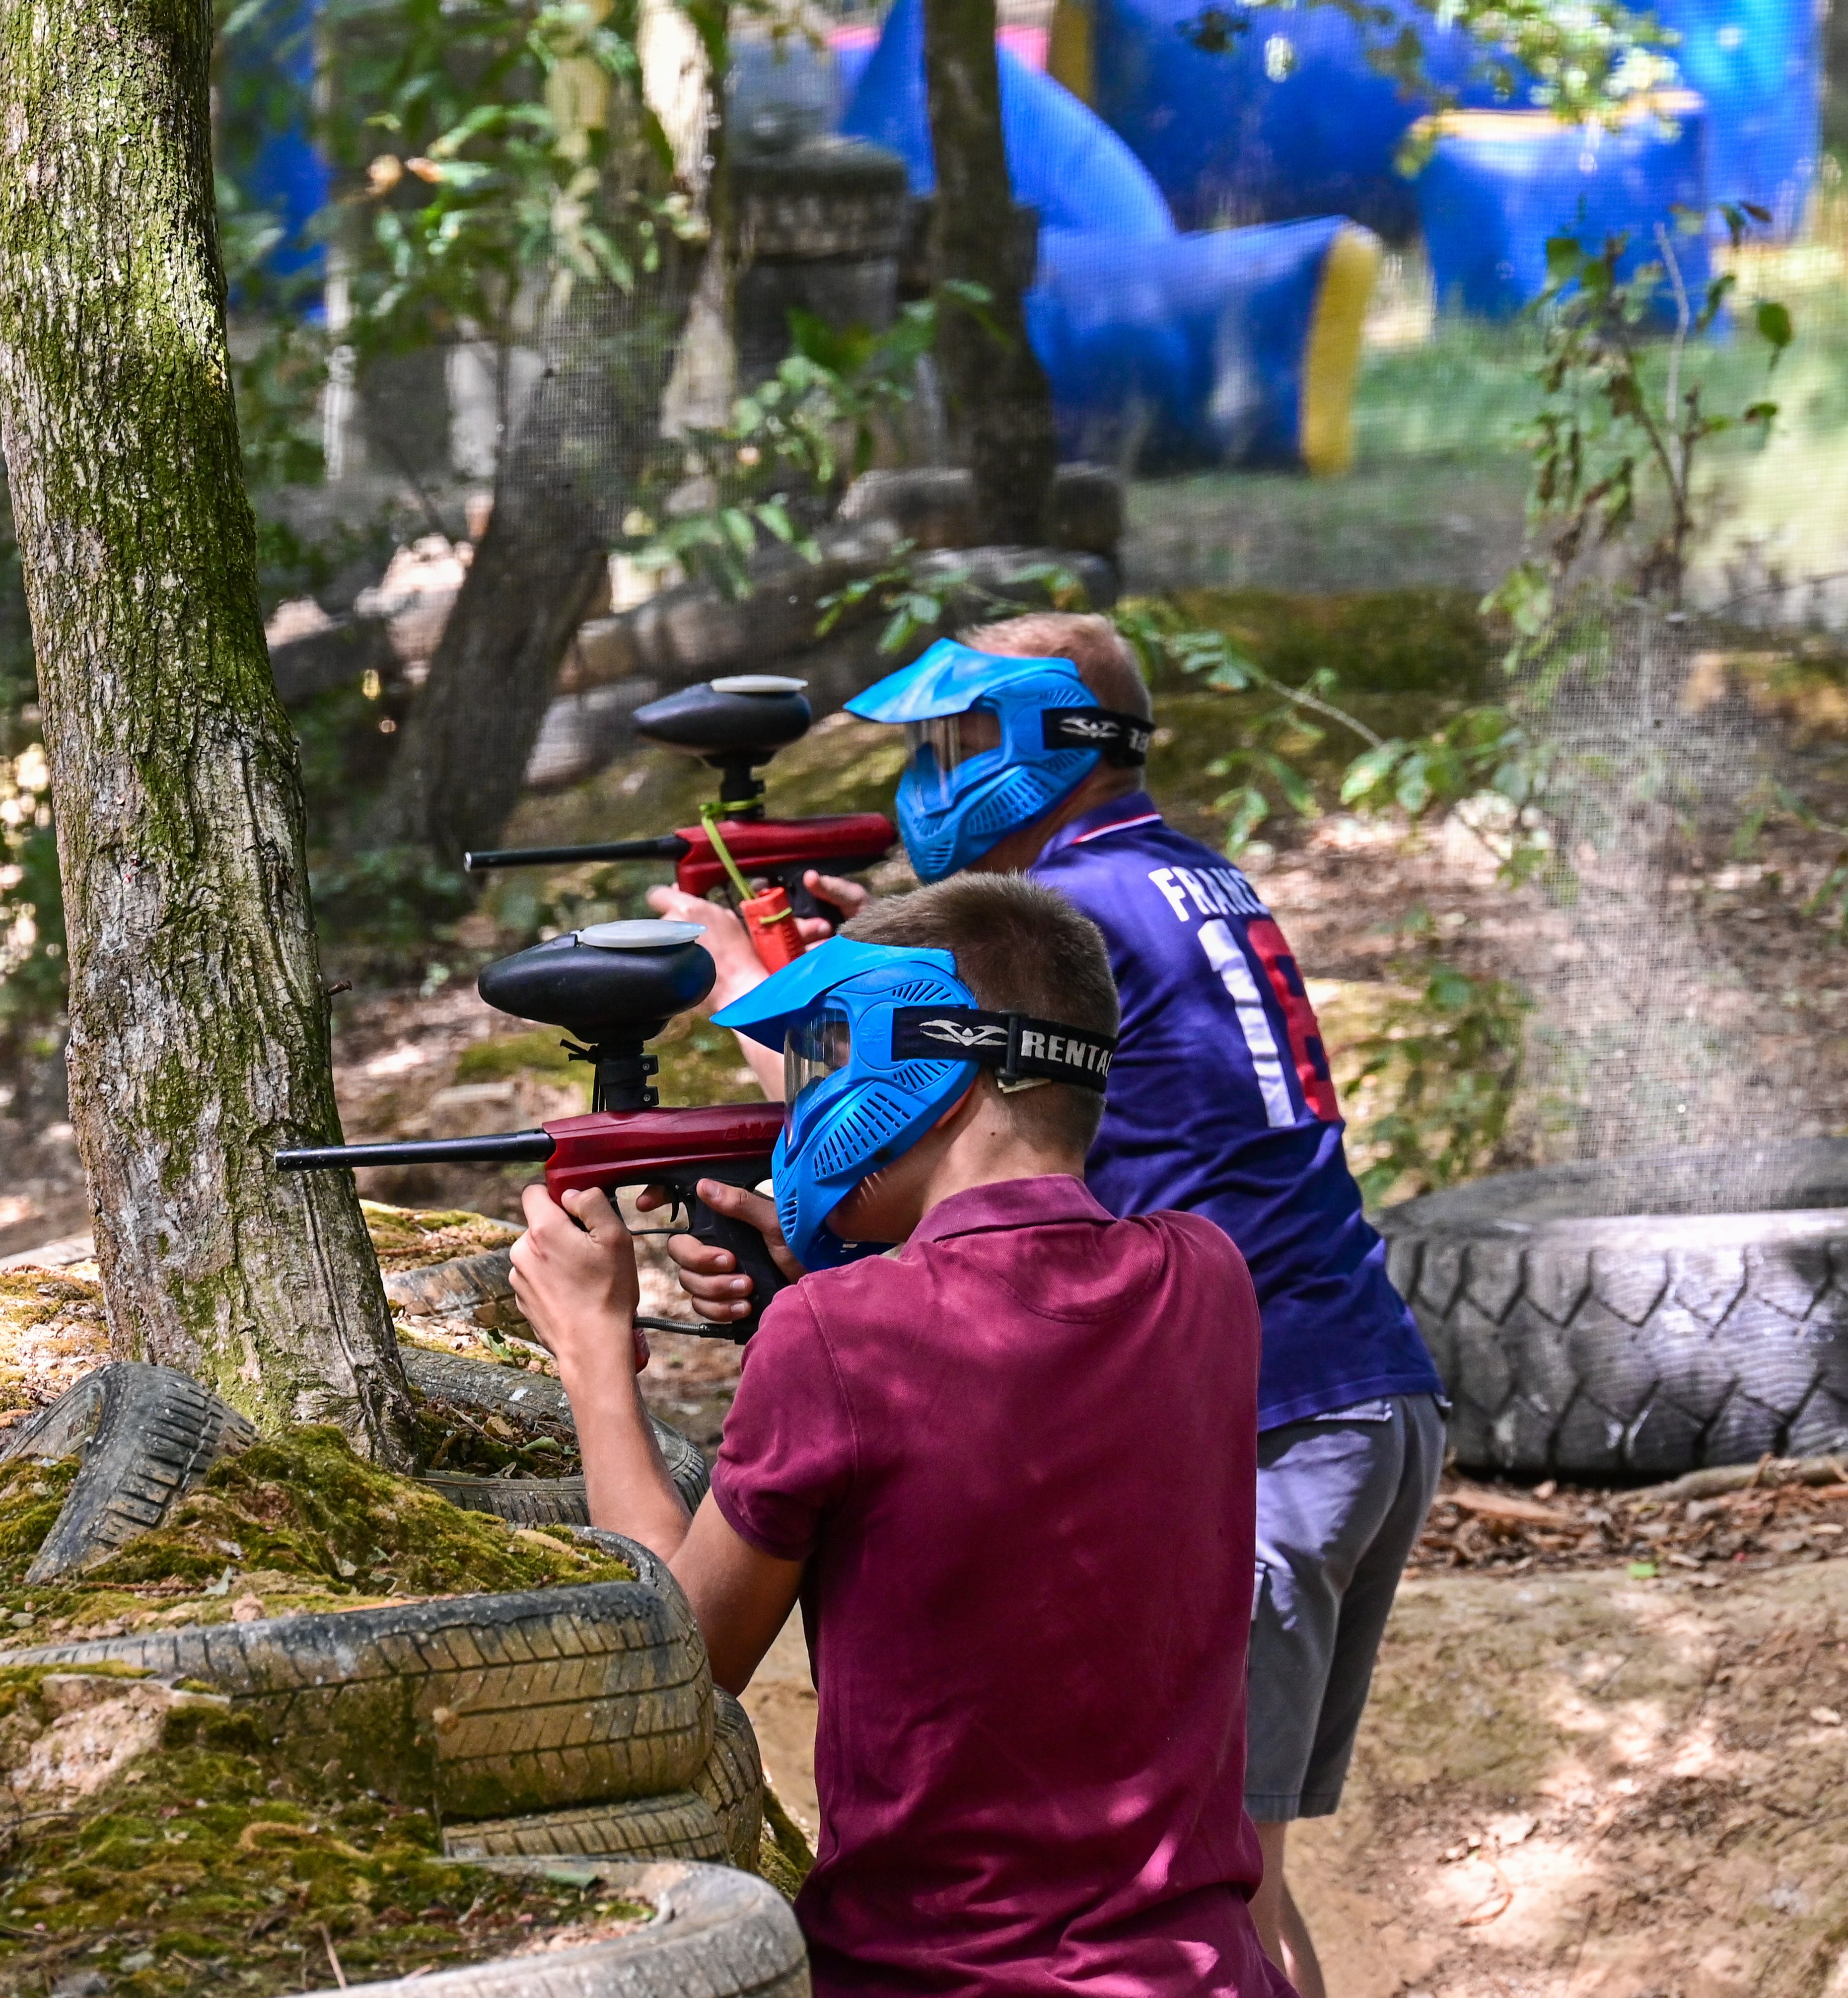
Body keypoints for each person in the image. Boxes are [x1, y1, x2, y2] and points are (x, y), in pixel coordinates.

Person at [651, 615, 1446, 1998]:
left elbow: (969, 1129)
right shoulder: (1183, 880)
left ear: (1045, 745)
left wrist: (767, 1006)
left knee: (1219, 1895)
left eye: (959, 742)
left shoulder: (1082, 922)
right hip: (1352, 1376)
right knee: (1226, 1892)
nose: (929, 777)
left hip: (1270, 1413)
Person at [507, 874, 1298, 1998]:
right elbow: (1012, 1315)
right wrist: (836, 1269)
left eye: (833, 1049)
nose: (811, 1095)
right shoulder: (1209, 1278)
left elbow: (685, 1658)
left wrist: (595, 1353)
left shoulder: (839, 1331)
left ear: (932, 1073)